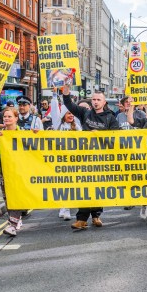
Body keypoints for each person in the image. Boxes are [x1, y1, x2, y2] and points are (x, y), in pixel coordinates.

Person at [62, 85, 119, 230]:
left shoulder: (110, 118)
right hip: (85, 157)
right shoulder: (85, 113)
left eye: (98, 99)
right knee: (86, 188)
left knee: (98, 188)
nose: (95, 102)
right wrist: (66, 92)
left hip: (101, 159)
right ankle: (82, 219)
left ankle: (95, 215)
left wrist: (98, 135)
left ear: (104, 102)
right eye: (93, 99)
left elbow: (116, 138)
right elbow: (69, 104)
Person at [0, 107, 25, 236]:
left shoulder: (23, 133)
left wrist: (36, 134)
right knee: (7, 198)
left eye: (9, 116)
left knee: (16, 196)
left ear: (16, 118)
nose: (7, 119)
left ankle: (12, 224)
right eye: (5, 117)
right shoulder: (1, 133)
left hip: (20, 171)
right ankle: (16, 219)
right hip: (5, 171)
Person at [49, 93, 83, 221]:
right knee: (62, 185)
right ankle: (63, 208)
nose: (71, 116)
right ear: (63, 115)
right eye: (68, 114)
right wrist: (54, 96)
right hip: (60, 160)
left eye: (72, 114)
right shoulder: (58, 125)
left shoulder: (77, 127)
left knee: (70, 185)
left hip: (73, 160)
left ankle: (66, 208)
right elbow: (54, 111)